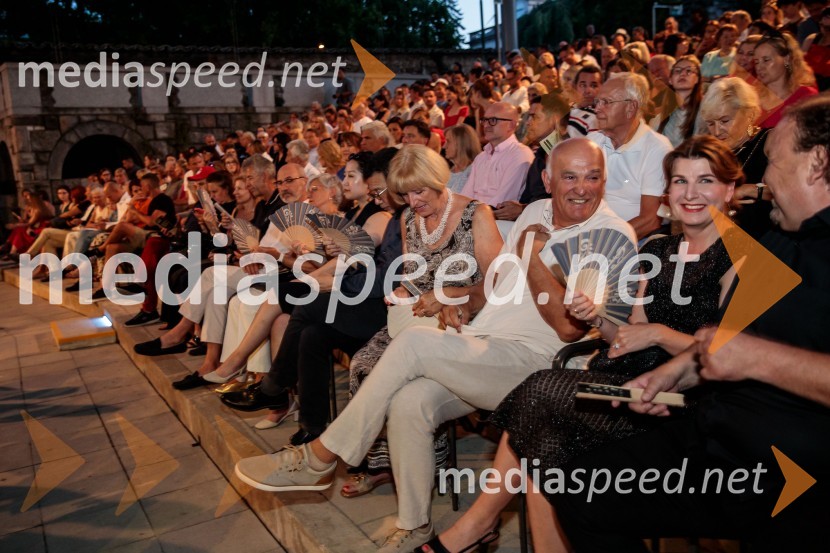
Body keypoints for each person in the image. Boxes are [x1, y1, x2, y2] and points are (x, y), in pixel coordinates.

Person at [232, 138, 635, 553]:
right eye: (570, 176)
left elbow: (569, 330)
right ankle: (414, 525)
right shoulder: (535, 211)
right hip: (486, 342)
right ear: (548, 180)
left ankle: (322, 454)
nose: (582, 188)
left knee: (413, 342)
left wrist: (532, 254)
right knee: (409, 400)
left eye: (593, 177)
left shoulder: (609, 233)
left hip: (542, 365)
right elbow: (494, 287)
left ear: (605, 179)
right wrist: (457, 296)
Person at [419, 134, 741, 553]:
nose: (691, 193)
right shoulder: (659, 250)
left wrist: (659, 335)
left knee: (539, 396)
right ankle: (489, 529)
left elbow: (732, 358)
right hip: (624, 376)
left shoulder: (740, 258)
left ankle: (477, 523)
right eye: (680, 182)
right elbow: (628, 334)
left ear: (730, 189)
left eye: (705, 181)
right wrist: (598, 318)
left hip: (683, 397)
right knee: (542, 438)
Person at [552, 93, 830, 553]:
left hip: (795, 466)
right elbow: (724, 347)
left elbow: (749, 353)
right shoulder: (782, 239)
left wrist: (758, 359)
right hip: (717, 434)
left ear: (816, 163)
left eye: (773, 164)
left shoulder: (753, 246)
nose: (762, 183)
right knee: (579, 485)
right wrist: (671, 373)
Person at [588, 73, 673, 239]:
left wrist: (604, 242)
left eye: (606, 102)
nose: (597, 109)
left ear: (630, 108)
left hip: (633, 244)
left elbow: (651, 220)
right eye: (597, 102)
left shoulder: (657, 148)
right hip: (588, 234)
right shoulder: (592, 142)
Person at [700, 77, 773, 239]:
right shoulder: (713, 153)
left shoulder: (769, 140)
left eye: (725, 120)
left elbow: (791, 191)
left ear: (749, 114)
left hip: (765, 241)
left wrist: (746, 190)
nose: (717, 131)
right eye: (711, 124)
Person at [461, 102, 534, 207]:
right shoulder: (481, 157)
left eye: (493, 121)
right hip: (472, 217)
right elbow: (465, 195)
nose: (486, 125)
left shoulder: (520, 154)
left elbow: (502, 202)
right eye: (485, 120)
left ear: (511, 125)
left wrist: (469, 217)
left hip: (499, 221)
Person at [754, 32, 818, 128]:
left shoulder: (806, 96)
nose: (759, 67)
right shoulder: (753, 97)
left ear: (787, 59)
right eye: (756, 62)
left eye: (766, 60)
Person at [653, 56, 704, 147]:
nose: (683, 74)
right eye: (678, 71)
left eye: (689, 71)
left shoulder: (705, 112)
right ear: (670, 80)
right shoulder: (660, 118)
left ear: (697, 79)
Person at [444, 124, 481, 193]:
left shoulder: (475, 171)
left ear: (461, 143)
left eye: (448, 141)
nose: (444, 146)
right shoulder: (448, 172)